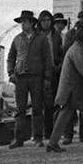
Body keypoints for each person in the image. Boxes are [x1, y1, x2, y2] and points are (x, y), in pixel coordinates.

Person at [7, 9, 50, 147]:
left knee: (37, 108)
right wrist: (10, 73)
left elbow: (47, 59)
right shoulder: (17, 39)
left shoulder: (41, 39)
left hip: (36, 77)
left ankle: (37, 138)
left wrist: (47, 78)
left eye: (24, 22)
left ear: (31, 23)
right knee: (20, 109)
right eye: (21, 22)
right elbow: (11, 57)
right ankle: (19, 139)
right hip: (20, 78)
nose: (22, 24)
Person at [38, 11, 66, 145]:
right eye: (43, 20)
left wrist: (59, 65)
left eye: (48, 20)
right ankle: (43, 133)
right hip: (40, 73)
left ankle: (52, 132)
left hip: (55, 72)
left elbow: (61, 53)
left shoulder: (56, 37)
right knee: (42, 104)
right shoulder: (37, 36)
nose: (46, 23)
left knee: (54, 103)